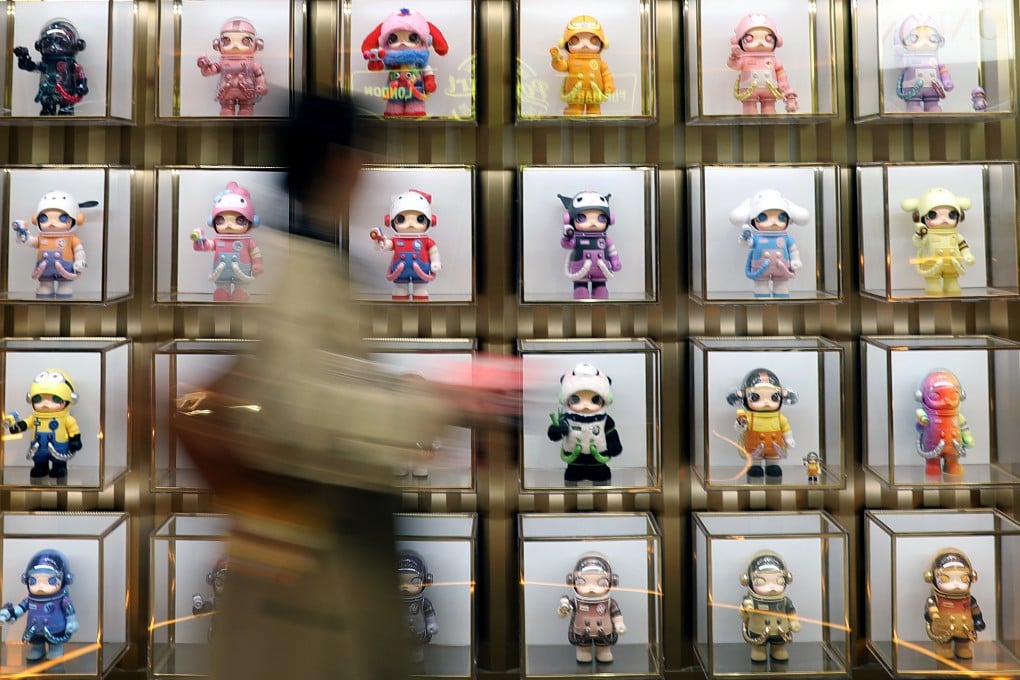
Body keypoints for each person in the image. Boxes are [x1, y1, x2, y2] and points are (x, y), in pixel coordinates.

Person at [174, 93, 455, 680]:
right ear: (338, 160)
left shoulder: (311, 253)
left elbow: (309, 375)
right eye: (363, 155)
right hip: (317, 551)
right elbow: (307, 399)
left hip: (319, 546)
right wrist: (432, 404)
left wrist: (404, 397)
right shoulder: (301, 262)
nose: (369, 171)